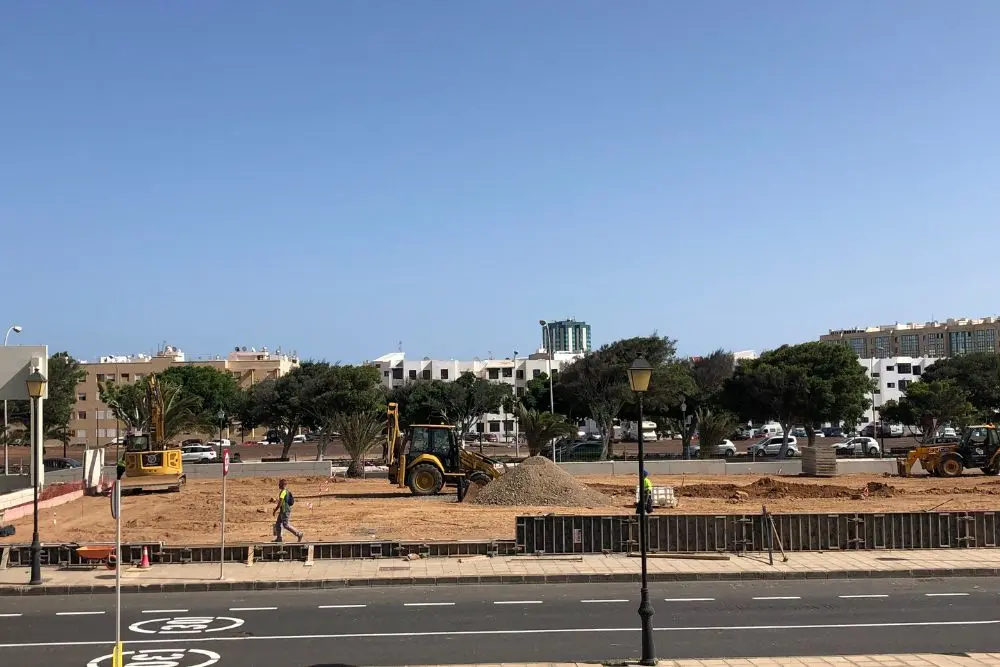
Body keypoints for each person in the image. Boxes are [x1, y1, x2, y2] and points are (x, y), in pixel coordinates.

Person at [272, 479, 304, 543]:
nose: (278, 485)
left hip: (285, 511)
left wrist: (275, 510)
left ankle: (299, 534)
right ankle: (279, 538)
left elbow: (280, 503)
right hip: (282, 511)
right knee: (278, 524)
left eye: (280, 484)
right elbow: (283, 501)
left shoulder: (283, 492)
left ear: (283, 485)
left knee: (285, 525)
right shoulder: (286, 491)